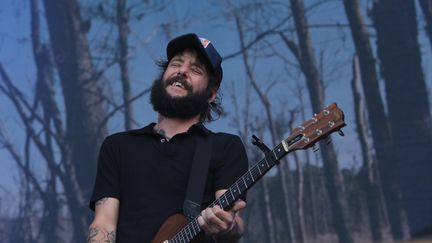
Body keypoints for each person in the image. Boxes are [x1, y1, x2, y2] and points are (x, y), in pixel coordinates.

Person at [87, 33, 249, 243]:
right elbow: (103, 223)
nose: (182, 71)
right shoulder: (118, 146)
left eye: (195, 69)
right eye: (176, 64)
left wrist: (228, 225)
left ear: (211, 95)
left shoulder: (224, 146)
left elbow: (233, 221)